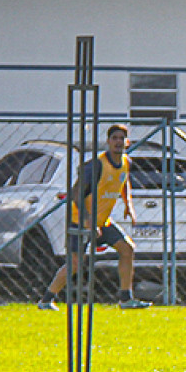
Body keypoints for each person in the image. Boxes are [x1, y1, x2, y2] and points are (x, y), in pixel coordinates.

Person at [37, 122, 150, 310]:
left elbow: (124, 181)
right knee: (75, 263)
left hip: (103, 222)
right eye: (114, 138)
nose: (118, 142)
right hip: (80, 220)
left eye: (122, 139)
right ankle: (46, 300)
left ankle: (126, 299)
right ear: (108, 141)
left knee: (127, 249)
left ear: (127, 142)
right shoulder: (96, 165)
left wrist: (128, 204)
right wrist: (87, 219)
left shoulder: (126, 162)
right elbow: (76, 194)